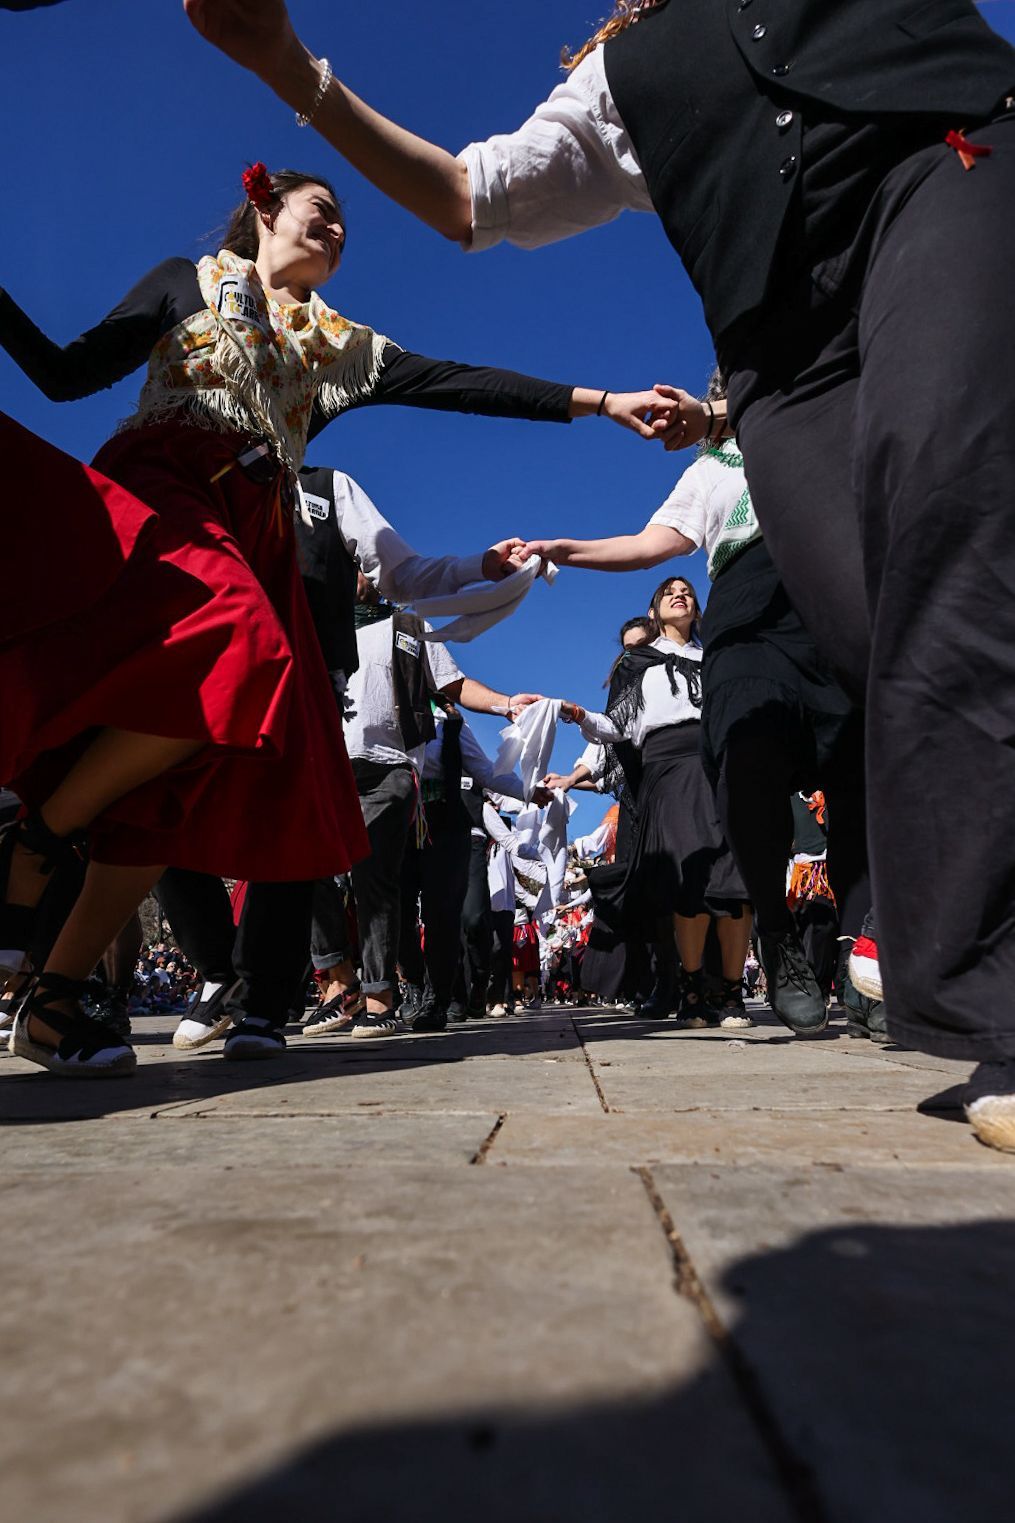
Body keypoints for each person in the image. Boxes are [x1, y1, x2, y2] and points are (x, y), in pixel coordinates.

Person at [186, 0, 1015, 1148]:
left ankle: (1002, 1005)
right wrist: (288, 66)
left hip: (951, 172)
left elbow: (441, 393)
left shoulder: (335, 351)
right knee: (879, 633)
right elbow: (467, 197)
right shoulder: (618, 76)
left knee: (955, 506)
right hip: (785, 357)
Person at [526, 373, 869, 1035]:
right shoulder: (711, 469)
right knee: (745, 757)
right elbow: (649, 543)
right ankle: (773, 929)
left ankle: (862, 960)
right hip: (745, 606)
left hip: (830, 587)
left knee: (856, 770)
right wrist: (565, 549)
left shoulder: (818, 415)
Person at [559, 576, 754, 1029]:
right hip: (669, 770)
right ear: (654, 612)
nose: (679, 594)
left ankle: (728, 993)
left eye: (686, 590)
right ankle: (689, 988)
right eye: (668, 592)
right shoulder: (637, 663)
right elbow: (616, 725)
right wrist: (579, 715)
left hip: (721, 766)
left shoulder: (716, 659)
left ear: (697, 611)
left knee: (737, 878)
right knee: (688, 876)